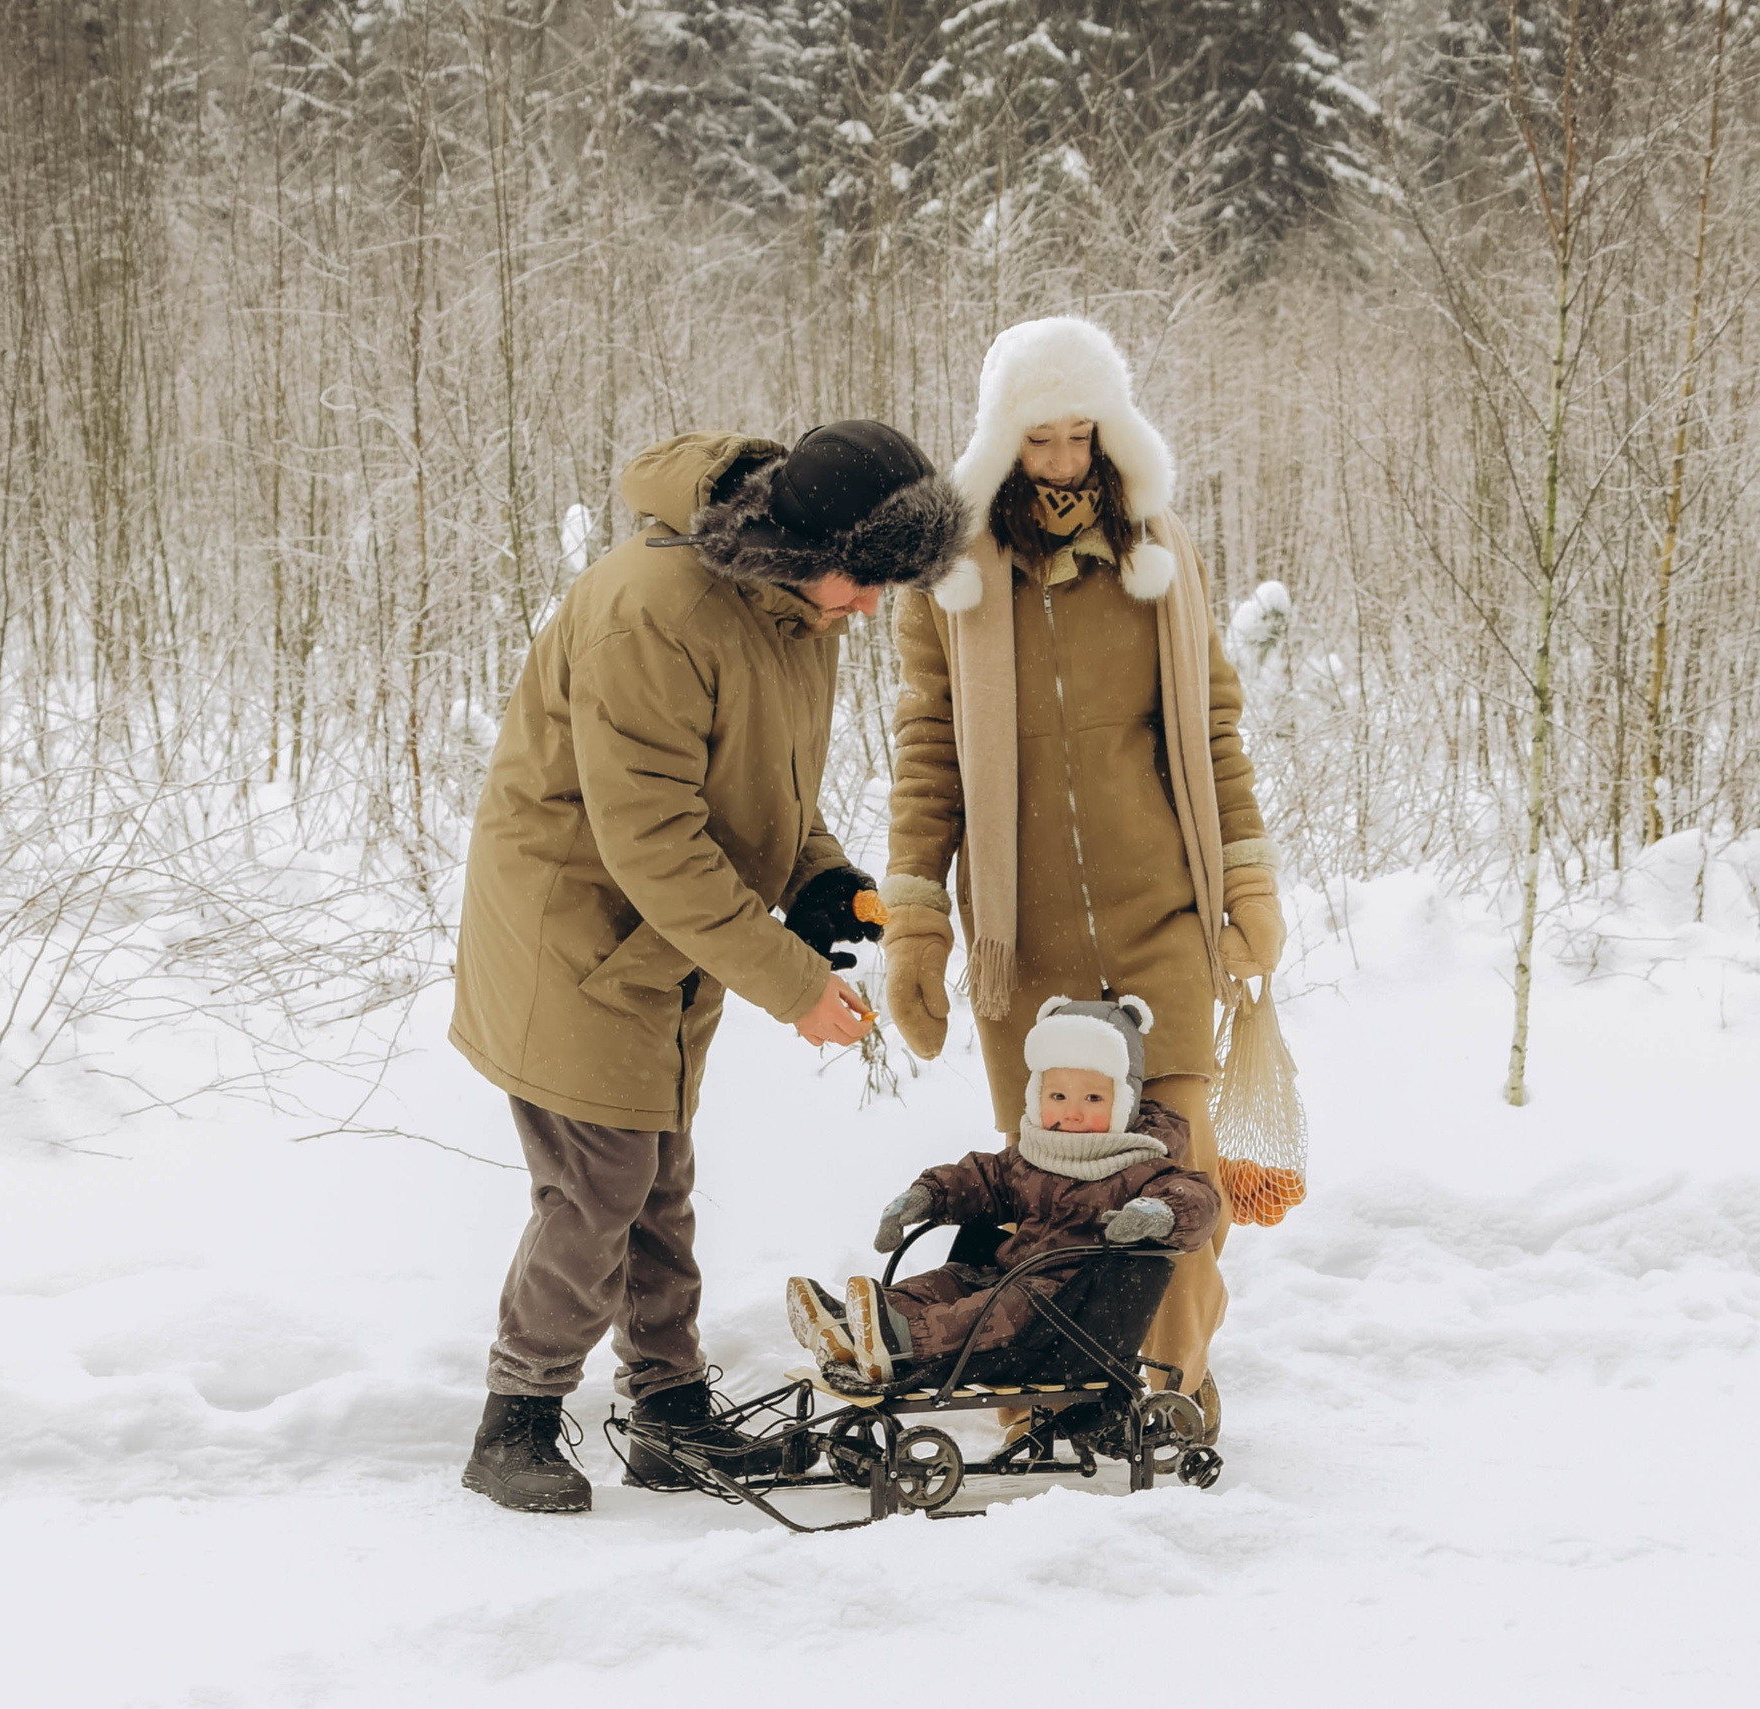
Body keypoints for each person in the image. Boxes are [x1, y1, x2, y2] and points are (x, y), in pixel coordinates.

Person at [450, 422, 969, 1514]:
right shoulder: (655, 612)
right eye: (864, 576)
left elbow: (756, 780)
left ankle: (668, 1412)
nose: (872, 605)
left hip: (666, 942)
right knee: (597, 1190)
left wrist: (819, 871)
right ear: (797, 543)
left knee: (658, 1184)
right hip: (577, 936)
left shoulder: (796, 609)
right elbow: (654, 840)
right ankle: (516, 1419)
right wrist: (790, 982)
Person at [880, 317, 1285, 1431]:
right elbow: (927, 751)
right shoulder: (951, 579)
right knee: (1052, 1191)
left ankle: (1169, 1384)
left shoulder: (1159, 554)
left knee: (1178, 1174)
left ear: (1108, 435)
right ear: (1001, 442)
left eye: (1079, 437)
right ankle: (1054, 1391)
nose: (1061, 463)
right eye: (1039, 440)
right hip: (1029, 941)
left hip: (1162, 918)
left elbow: (1210, 730)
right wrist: (916, 923)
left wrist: (1248, 881)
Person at [785, 996, 1220, 1384]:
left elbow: (1196, 1197)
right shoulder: (1030, 1156)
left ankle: (899, 1340)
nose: (1069, 1113)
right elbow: (979, 1178)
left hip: (1067, 1308)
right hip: (1006, 1275)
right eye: (1057, 1095)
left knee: (1002, 1307)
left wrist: (1160, 1212)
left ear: (1123, 1102)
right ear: (1036, 1096)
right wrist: (925, 1196)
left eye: (1092, 1099)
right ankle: (853, 1327)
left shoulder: (1141, 1164)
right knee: (949, 1283)